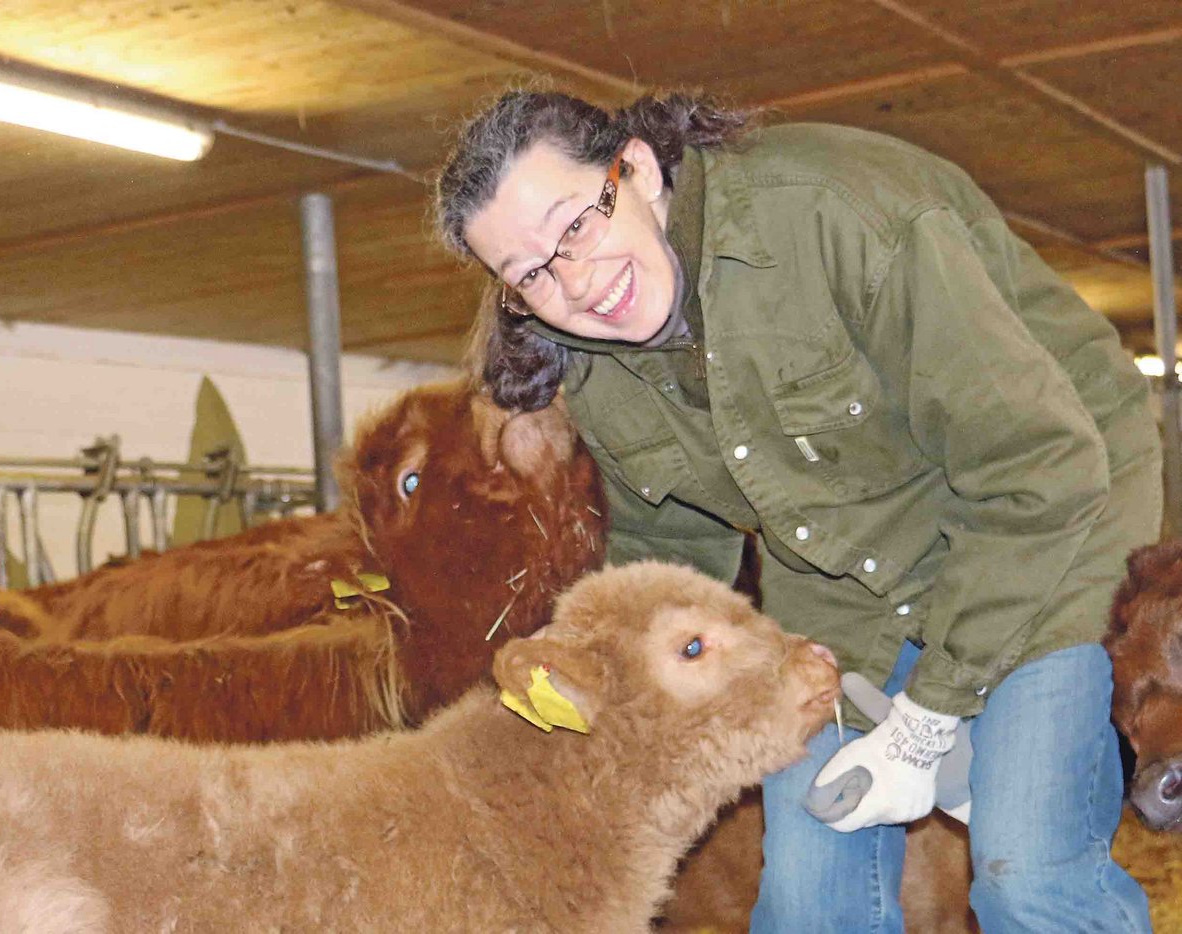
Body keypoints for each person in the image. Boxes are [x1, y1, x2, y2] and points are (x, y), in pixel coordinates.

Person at [433, 89, 1160, 933]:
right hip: (843, 572)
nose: (575, 281)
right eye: (529, 275)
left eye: (574, 226)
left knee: (1026, 873)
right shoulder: (592, 364)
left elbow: (1038, 466)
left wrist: (927, 720)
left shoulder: (834, 213)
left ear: (636, 170)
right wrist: (604, 690)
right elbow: (667, 550)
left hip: (1050, 523)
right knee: (808, 897)